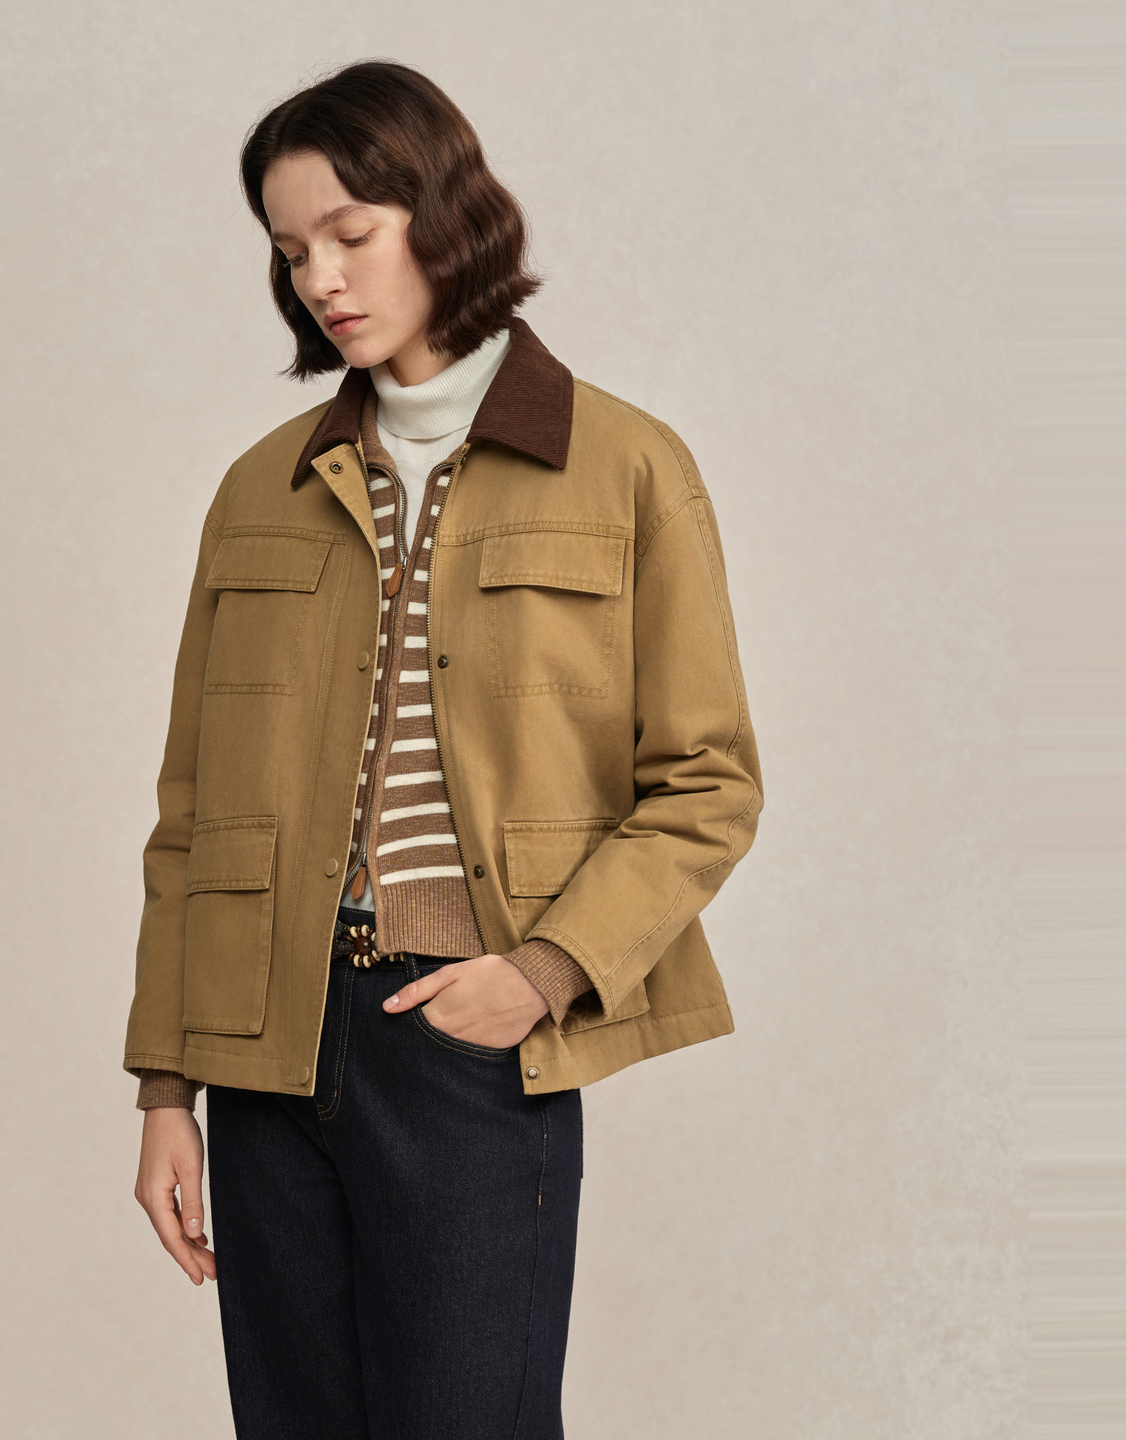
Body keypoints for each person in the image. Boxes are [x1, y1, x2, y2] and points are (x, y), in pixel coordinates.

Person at [125, 59, 765, 1440]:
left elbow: (707, 784)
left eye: (350, 234)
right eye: (290, 251)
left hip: (470, 1040)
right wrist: (166, 1088)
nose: (321, 279)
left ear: (445, 213)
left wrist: (542, 973)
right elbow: (192, 815)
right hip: (262, 1053)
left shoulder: (626, 466)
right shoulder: (261, 489)